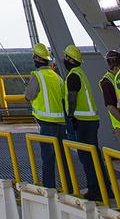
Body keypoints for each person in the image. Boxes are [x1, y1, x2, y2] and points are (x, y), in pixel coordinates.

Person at [62, 44, 102, 200]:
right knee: (95, 157)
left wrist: (70, 116)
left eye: (66, 57)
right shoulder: (80, 74)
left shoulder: (73, 76)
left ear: (71, 60)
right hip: (91, 120)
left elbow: (72, 98)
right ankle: (105, 188)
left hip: (83, 122)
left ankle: (94, 190)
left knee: (87, 158)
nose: (64, 59)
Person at [24, 43, 66, 188]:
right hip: (61, 123)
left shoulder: (37, 76)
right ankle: (69, 186)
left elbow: (29, 95)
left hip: (46, 124)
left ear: (36, 58)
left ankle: (49, 187)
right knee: (63, 157)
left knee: (48, 158)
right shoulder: (56, 77)